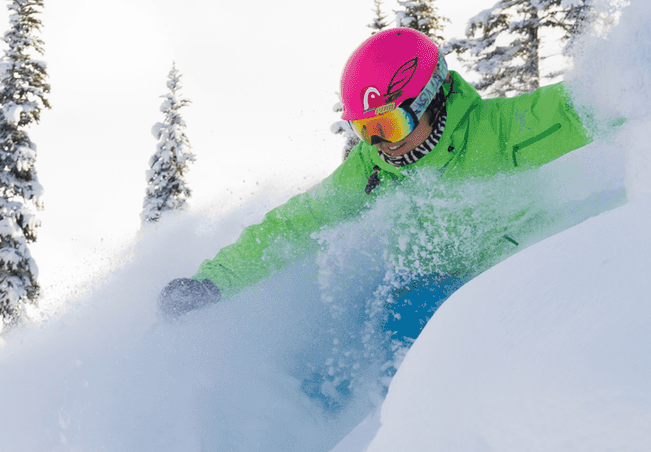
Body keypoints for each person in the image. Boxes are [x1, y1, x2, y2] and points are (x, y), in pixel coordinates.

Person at [160, 27, 594, 319]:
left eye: (388, 125)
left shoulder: (499, 132)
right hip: (422, 294)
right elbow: (294, 225)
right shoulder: (370, 171)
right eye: (365, 130)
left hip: (504, 292)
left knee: (408, 322)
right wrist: (214, 283)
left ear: (429, 99)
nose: (381, 144)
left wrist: (641, 81)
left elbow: (588, 104)